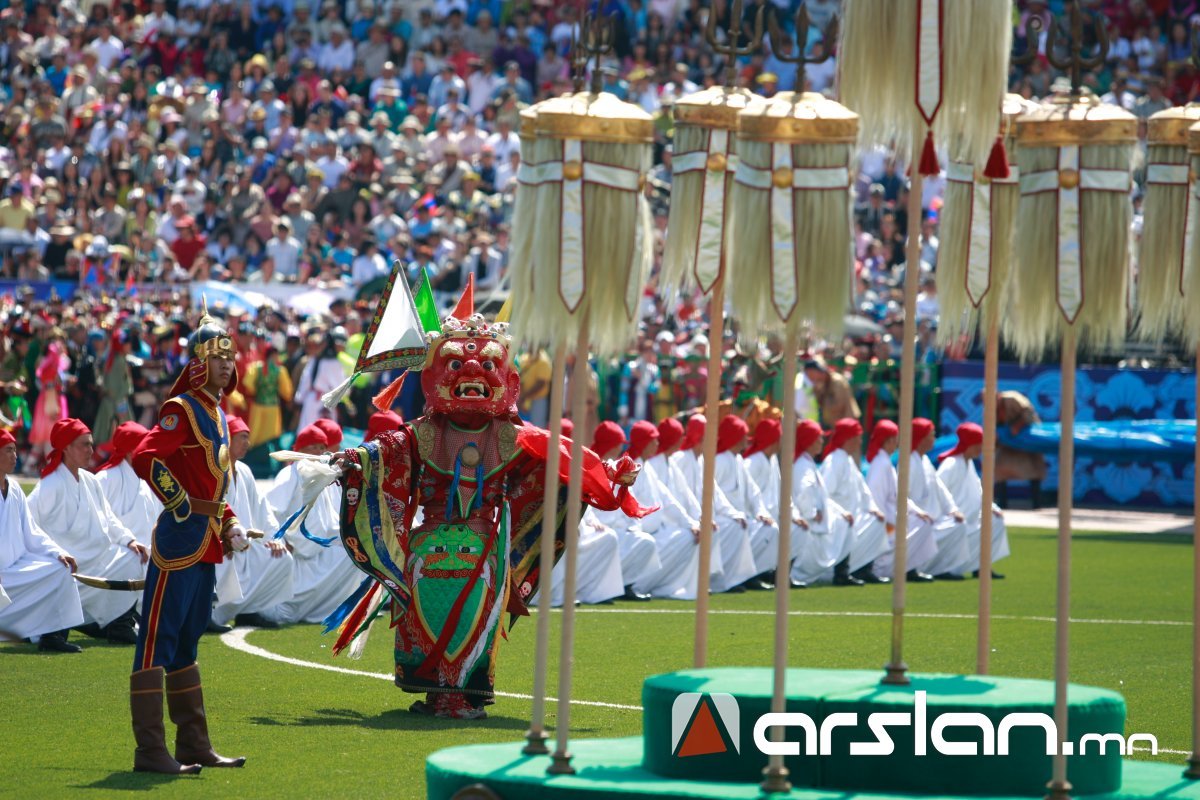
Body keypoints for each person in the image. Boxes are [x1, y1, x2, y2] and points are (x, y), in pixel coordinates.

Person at [327, 300, 650, 719]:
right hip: (429, 543)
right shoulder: (421, 434)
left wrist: (607, 474)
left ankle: (464, 692)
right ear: (432, 379)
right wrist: (352, 461)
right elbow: (384, 452)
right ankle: (434, 690)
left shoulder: (514, 437)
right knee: (429, 608)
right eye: (456, 364)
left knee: (477, 608)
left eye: (487, 366)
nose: (472, 374)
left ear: (510, 383)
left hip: (484, 548)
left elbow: (564, 459)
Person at [124, 308, 249, 775]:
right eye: (217, 355)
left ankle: (193, 744)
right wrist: (178, 504)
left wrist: (229, 522)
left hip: (207, 543)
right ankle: (150, 750)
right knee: (158, 640)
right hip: (179, 542)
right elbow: (146, 458)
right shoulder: (182, 408)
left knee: (187, 645)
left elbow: (212, 486)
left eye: (230, 355)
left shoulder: (217, 412)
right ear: (198, 360)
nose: (226, 363)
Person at [29, 418, 148, 644]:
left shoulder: (90, 480)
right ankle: (53, 632)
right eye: (84, 444)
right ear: (66, 448)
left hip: (98, 559)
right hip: (67, 565)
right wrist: (54, 553)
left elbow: (109, 519)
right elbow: (28, 526)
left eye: (91, 444)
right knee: (58, 568)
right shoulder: (49, 485)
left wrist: (129, 540)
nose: (90, 450)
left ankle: (119, 624)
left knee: (134, 557)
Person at [265, 423, 360, 625]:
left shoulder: (323, 477)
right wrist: (279, 538)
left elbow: (330, 521)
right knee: (285, 612)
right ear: (299, 450)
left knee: (357, 551)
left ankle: (328, 608)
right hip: (295, 550)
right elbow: (271, 510)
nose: (318, 452)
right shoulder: (290, 474)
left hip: (319, 548)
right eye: (313, 447)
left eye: (322, 447)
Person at [0, 428, 85, 653]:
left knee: (60, 568)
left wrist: (58, 552)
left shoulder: (15, 489)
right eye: (8, 451)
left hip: (16, 569)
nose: (14, 456)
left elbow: (32, 532)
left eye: (15, 451)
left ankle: (52, 636)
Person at [213, 417, 295, 627]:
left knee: (282, 558)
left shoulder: (245, 471)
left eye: (247, 438)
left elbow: (263, 510)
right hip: (220, 550)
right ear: (227, 438)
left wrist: (276, 538)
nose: (247, 444)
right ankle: (211, 615)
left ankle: (250, 610)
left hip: (246, 548)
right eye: (242, 437)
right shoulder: (214, 471)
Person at [671, 414, 757, 593]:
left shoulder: (703, 460)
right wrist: (698, 519)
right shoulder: (681, 460)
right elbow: (680, 497)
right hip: (681, 519)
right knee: (711, 529)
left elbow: (715, 494)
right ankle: (702, 580)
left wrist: (733, 514)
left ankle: (723, 579)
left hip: (703, 516)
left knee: (735, 525)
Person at [624, 419, 707, 600]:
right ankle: (634, 583)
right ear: (644, 443)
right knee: (646, 541)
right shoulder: (630, 468)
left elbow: (668, 500)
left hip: (659, 530)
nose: (657, 444)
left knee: (689, 535)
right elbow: (625, 504)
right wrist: (635, 530)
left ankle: (664, 585)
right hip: (637, 532)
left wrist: (691, 522)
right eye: (653, 440)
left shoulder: (648, 468)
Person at [549, 418, 626, 606]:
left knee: (608, 538)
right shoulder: (545, 463)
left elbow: (583, 499)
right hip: (551, 525)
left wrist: (590, 520)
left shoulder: (578, 464)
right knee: (563, 538)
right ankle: (554, 595)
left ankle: (594, 592)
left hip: (579, 525)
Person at [588, 421, 660, 602]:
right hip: (597, 528)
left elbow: (629, 499)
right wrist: (592, 522)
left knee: (645, 541)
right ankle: (598, 589)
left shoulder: (618, 467)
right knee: (608, 539)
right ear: (612, 444)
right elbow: (585, 502)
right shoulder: (589, 466)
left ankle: (624, 585)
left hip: (621, 529)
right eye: (619, 442)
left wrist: (633, 525)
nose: (621, 447)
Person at [819, 418, 891, 584]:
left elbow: (863, 490)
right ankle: (841, 573)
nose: (860, 441)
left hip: (852, 516)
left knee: (877, 522)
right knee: (847, 527)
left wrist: (873, 508)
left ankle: (863, 568)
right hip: (837, 518)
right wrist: (841, 513)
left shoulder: (848, 460)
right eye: (857, 437)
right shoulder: (834, 461)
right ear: (848, 439)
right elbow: (825, 494)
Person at [865, 420, 937, 582]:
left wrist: (917, 512)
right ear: (889, 441)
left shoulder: (886, 463)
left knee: (923, 522)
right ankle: (881, 568)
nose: (897, 443)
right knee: (911, 528)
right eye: (895, 439)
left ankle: (907, 567)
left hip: (894, 517)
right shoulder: (881, 465)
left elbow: (899, 496)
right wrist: (887, 522)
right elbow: (876, 499)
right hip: (886, 522)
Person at [936, 423, 1010, 579]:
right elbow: (938, 491)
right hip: (952, 517)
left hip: (971, 516)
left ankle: (981, 566)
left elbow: (978, 491)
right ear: (969, 444)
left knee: (995, 521)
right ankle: (945, 568)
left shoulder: (968, 463)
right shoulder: (951, 464)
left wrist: (992, 507)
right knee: (957, 526)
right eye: (978, 444)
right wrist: (951, 511)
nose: (981, 448)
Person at [790, 420, 861, 586]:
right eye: (818, 438)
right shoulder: (805, 465)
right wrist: (812, 513)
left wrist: (840, 512)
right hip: (811, 521)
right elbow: (804, 492)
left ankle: (841, 572)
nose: (822, 442)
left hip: (822, 517)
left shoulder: (808, 463)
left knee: (845, 523)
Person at [713, 415, 778, 591]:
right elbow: (712, 495)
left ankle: (751, 575)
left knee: (770, 529)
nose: (746, 439)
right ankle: (726, 580)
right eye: (742, 435)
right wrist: (731, 515)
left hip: (741, 518)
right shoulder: (719, 461)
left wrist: (761, 512)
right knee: (736, 528)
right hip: (722, 519)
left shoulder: (738, 460)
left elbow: (753, 491)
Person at [908, 418, 971, 580]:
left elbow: (940, 488)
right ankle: (911, 569)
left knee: (958, 525)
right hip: (913, 520)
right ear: (921, 438)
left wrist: (952, 509)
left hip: (931, 518)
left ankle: (941, 568)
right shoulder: (909, 462)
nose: (934, 439)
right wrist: (918, 513)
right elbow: (901, 495)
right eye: (931, 435)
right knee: (923, 525)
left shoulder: (925, 460)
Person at [94, 422, 163, 548]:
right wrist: (126, 540)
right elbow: (96, 520)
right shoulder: (104, 479)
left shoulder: (151, 479)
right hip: (116, 557)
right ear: (130, 452)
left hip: (149, 557)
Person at [804, 359, 861, 428]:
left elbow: (838, 404)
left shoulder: (837, 381)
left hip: (847, 422)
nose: (811, 377)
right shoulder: (823, 382)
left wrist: (821, 394)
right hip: (836, 423)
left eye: (811, 374)